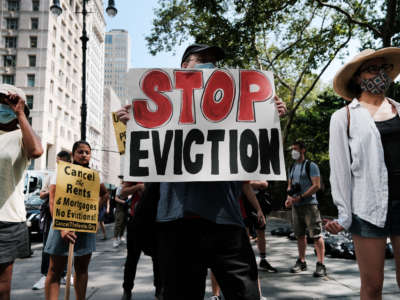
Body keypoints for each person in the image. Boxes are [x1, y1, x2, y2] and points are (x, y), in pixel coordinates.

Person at [117, 43, 287, 300]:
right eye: (202, 59)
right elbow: (149, 165)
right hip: (177, 224)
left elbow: (250, 160)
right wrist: (138, 126)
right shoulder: (162, 109)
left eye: (213, 62)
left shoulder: (234, 106)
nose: (210, 66)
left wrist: (268, 117)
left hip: (227, 222)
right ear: (184, 67)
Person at [326, 47, 400, 300]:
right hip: (368, 208)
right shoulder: (343, 117)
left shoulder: (399, 110)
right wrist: (344, 215)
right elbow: (340, 172)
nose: (379, 74)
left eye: (383, 68)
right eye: (371, 69)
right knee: (372, 286)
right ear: (358, 78)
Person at [44, 141, 109, 300]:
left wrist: (93, 212)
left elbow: (105, 194)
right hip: (61, 225)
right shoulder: (61, 171)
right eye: (80, 152)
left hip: (85, 227)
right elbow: (52, 200)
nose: (84, 155)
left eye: (87, 152)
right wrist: (62, 229)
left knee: (81, 269)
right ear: (73, 154)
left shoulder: (94, 176)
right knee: (54, 270)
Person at [0, 84, 43, 300]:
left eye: (8, 101)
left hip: (6, 221)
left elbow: (36, 150)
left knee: (2, 289)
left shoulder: (20, 135)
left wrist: (19, 113)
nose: (3, 105)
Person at [285, 140, 326, 277]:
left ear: (303, 150)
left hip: (309, 205)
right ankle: (301, 261)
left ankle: (321, 264)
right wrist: (289, 198)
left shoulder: (311, 166)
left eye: (296, 149)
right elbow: (290, 187)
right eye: (292, 149)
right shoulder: (292, 167)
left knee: (316, 235)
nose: (293, 152)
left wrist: (302, 196)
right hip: (296, 206)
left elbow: (316, 185)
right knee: (300, 235)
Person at [32, 151, 71, 290]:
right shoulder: (50, 176)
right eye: (60, 161)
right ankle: (45, 274)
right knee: (47, 245)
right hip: (50, 214)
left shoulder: (72, 175)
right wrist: (52, 191)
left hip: (66, 213)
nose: (62, 163)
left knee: (67, 243)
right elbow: (42, 195)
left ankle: (65, 274)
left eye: (66, 161)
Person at [120, 181, 161, 300]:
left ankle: (159, 291)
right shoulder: (136, 171)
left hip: (156, 221)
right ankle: (127, 290)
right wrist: (138, 187)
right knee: (132, 258)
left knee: (158, 259)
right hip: (136, 221)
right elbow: (122, 192)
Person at [113, 177, 128, 248]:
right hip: (120, 208)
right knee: (118, 223)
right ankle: (115, 239)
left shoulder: (127, 187)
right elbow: (116, 198)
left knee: (124, 223)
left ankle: (121, 236)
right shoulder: (120, 188)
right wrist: (123, 202)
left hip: (125, 208)